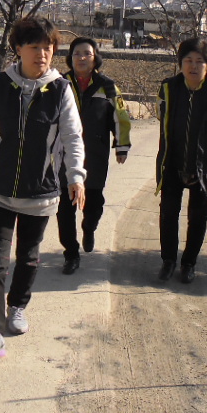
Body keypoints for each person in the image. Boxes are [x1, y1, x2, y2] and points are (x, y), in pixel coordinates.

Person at [0, 17, 86, 362]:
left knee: (29, 257)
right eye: (35, 47)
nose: (42, 54)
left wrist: (76, 177)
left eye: (48, 48)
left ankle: (17, 305)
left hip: (40, 190)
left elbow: (72, 137)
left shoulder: (60, 89)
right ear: (18, 49)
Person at [155, 37, 207, 284]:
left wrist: (206, 143)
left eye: (199, 61)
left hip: (205, 164)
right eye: (188, 60)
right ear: (180, 63)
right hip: (173, 162)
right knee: (168, 213)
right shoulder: (168, 88)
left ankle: (189, 263)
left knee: (198, 217)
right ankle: (168, 261)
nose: (193, 66)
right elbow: (162, 117)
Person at [56, 37, 132, 274]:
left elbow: (120, 117)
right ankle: (71, 253)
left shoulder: (107, 87)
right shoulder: (60, 84)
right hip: (64, 155)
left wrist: (121, 145)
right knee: (65, 207)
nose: (81, 58)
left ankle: (89, 228)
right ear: (70, 57)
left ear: (95, 57)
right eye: (76, 53)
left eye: (86, 53)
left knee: (94, 202)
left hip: (95, 154)